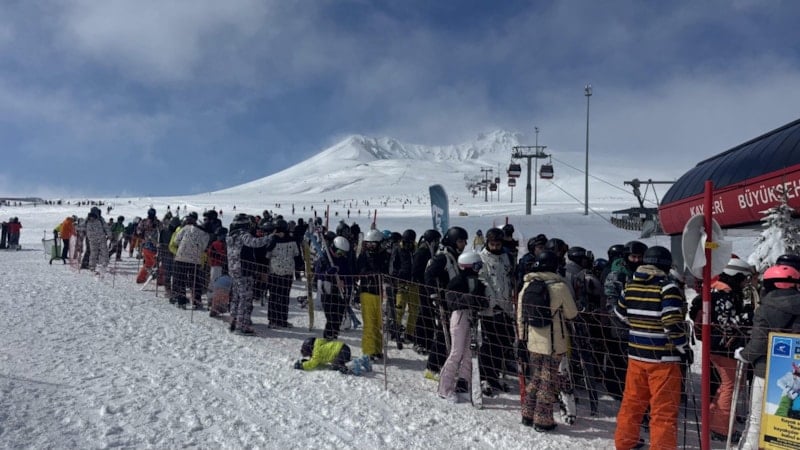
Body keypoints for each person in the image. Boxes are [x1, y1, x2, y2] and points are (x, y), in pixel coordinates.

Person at [614, 246, 688, 450]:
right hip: (664, 358)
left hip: (636, 354)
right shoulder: (667, 288)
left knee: (632, 402)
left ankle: (625, 442)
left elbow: (619, 314)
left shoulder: (630, 286)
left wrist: (639, 327)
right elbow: (672, 323)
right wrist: (683, 347)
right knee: (663, 408)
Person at [735, 263, 800, 450]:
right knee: (791, 422)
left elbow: (759, 342)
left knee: (757, 418)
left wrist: (744, 355)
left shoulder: (765, 308)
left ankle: (750, 447)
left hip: (766, 370)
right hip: (796, 371)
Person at [688, 257, 753, 442]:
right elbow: (727, 325)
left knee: (725, 386)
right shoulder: (725, 295)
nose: (745, 283)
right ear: (735, 276)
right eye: (743, 279)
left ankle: (716, 421)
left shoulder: (716, 289)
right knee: (729, 387)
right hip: (724, 347)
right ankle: (721, 429)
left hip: (717, 345)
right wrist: (748, 316)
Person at [517, 250, 578, 431]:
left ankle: (527, 414)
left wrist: (522, 338)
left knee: (537, 376)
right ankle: (543, 420)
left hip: (533, 340)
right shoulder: (559, 287)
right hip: (554, 342)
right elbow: (571, 313)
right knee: (548, 381)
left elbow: (520, 315)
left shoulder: (527, 285)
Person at [438, 251, 488, 402]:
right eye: (477, 266)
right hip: (460, 316)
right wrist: (470, 299)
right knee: (456, 352)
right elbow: (451, 301)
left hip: (473, 317)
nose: (479, 269)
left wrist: (480, 301)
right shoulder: (457, 281)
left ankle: (463, 384)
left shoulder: (477, 282)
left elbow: (484, 301)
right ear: (468, 266)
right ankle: (444, 388)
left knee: (469, 353)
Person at [424, 226, 468, 380]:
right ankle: (432, 368)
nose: (464, 244)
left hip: (454, 302)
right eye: (461, 241)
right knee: (442, 335)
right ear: (453, 241)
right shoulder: (443, 257)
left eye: (465, 241)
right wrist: (434, 295)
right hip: (443, 301)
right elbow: (428, 275)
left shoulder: (456, 256)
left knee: (451, 334)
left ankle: (445, 365)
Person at [477, 227, 515, 395]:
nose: (495, 247)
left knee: (503, 343)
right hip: (489, 310)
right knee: (489, 345)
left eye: (498, 244)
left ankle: (495, 375)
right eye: (492, 244)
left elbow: (509, 279)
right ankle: (484, 377)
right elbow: (483, 281)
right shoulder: (481, 258)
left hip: (505, 308)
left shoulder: (506, 257)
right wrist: (493, 303)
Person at [226, 214, 276, 334]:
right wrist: (270, 237)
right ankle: (242, 325)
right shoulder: (243, 234)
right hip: (244, 270)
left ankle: (233, 321)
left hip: (233, 269)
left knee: (236, 297)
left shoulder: (230, 236)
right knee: (245, 298)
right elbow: (254, 243)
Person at [355, 229, 390, 359]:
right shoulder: (364, 256)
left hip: (380, 293)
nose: (371, 247)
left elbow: (387, 270)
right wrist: (372, 273)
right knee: (369, 323)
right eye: (368, 244)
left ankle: (377, 349)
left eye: (373, 244)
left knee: (378, 323)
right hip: (367, 291)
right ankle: (368, 351)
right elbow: (360, 270)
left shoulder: (384, 256)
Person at [314, 235, 353, 339]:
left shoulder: (343, 260)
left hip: (340, 291)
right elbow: (318, 275)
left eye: (344, 253)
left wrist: (344, 281)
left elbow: (348, 275)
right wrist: (328, 273)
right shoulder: (324, 258)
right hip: (327, 292)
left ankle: (334, 335)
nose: (341, 255)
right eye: (340, 252)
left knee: (338, 317)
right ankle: (328, 337)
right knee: (331, 317)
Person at [172, 212, 210, 309]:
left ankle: (181, 302)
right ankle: (196, 302)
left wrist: (184, 245)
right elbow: (203, 247)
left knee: (181, 279)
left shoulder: (185, 228)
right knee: (195, 280)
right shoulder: (205, 234)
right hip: (195, 260)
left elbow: (176, 240)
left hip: (181, 257)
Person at [412, 229, 441, 355]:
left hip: (430, 286)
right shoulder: (422, 251)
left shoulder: (432, 251)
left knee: (429, 313)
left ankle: (428, 340)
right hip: (424, 286)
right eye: (436, 241)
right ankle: (420, 341)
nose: (438, 243)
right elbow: (416, 271)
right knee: (424, 313)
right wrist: (423, 281)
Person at [266, 219, 300, 328]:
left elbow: (267, 254)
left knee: (274, 296)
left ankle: (273, 320)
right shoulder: (292, 239)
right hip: (288, 272)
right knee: (284, 297)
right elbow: (297, 254)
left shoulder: (273, 240)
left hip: (275, 272)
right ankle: (282, 320)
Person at [391, 229, 418, 346]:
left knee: (414, 309)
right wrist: (396, 276)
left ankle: (409, 333)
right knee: (399, 308)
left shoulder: (415, 249)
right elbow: (393, 265)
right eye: (406, 242)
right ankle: (395, 330)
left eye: (410, 242)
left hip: (414, 283)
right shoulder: (398, 249)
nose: (407, 244)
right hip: (402, 283)